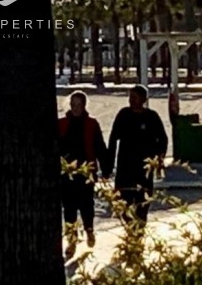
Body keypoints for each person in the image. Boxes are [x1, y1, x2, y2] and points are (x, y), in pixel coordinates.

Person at [106, 84, 169, 237]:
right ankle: (130, 229)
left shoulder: (151, 117)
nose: (131, 100)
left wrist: (158, 160)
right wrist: (108, 164)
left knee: (143, 203)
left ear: (143, 99)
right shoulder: (123, 115)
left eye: (134, 97)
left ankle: (139, 231)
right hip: (125, 166)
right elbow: (113, 138)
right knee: (123, 201)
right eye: (130, 97)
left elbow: (163, 139)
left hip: (144, 169)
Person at [58, 91, 108, 258]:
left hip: (86, 171)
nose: (75, 108)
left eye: (78, 104)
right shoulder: (61, 124)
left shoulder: (92, 125)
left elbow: (100, 147)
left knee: (87, 205)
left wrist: (106, 169)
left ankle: (89, 230)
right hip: (67, 173)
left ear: (84, 106)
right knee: (69, 208)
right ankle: (71, 240)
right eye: (73, 104)